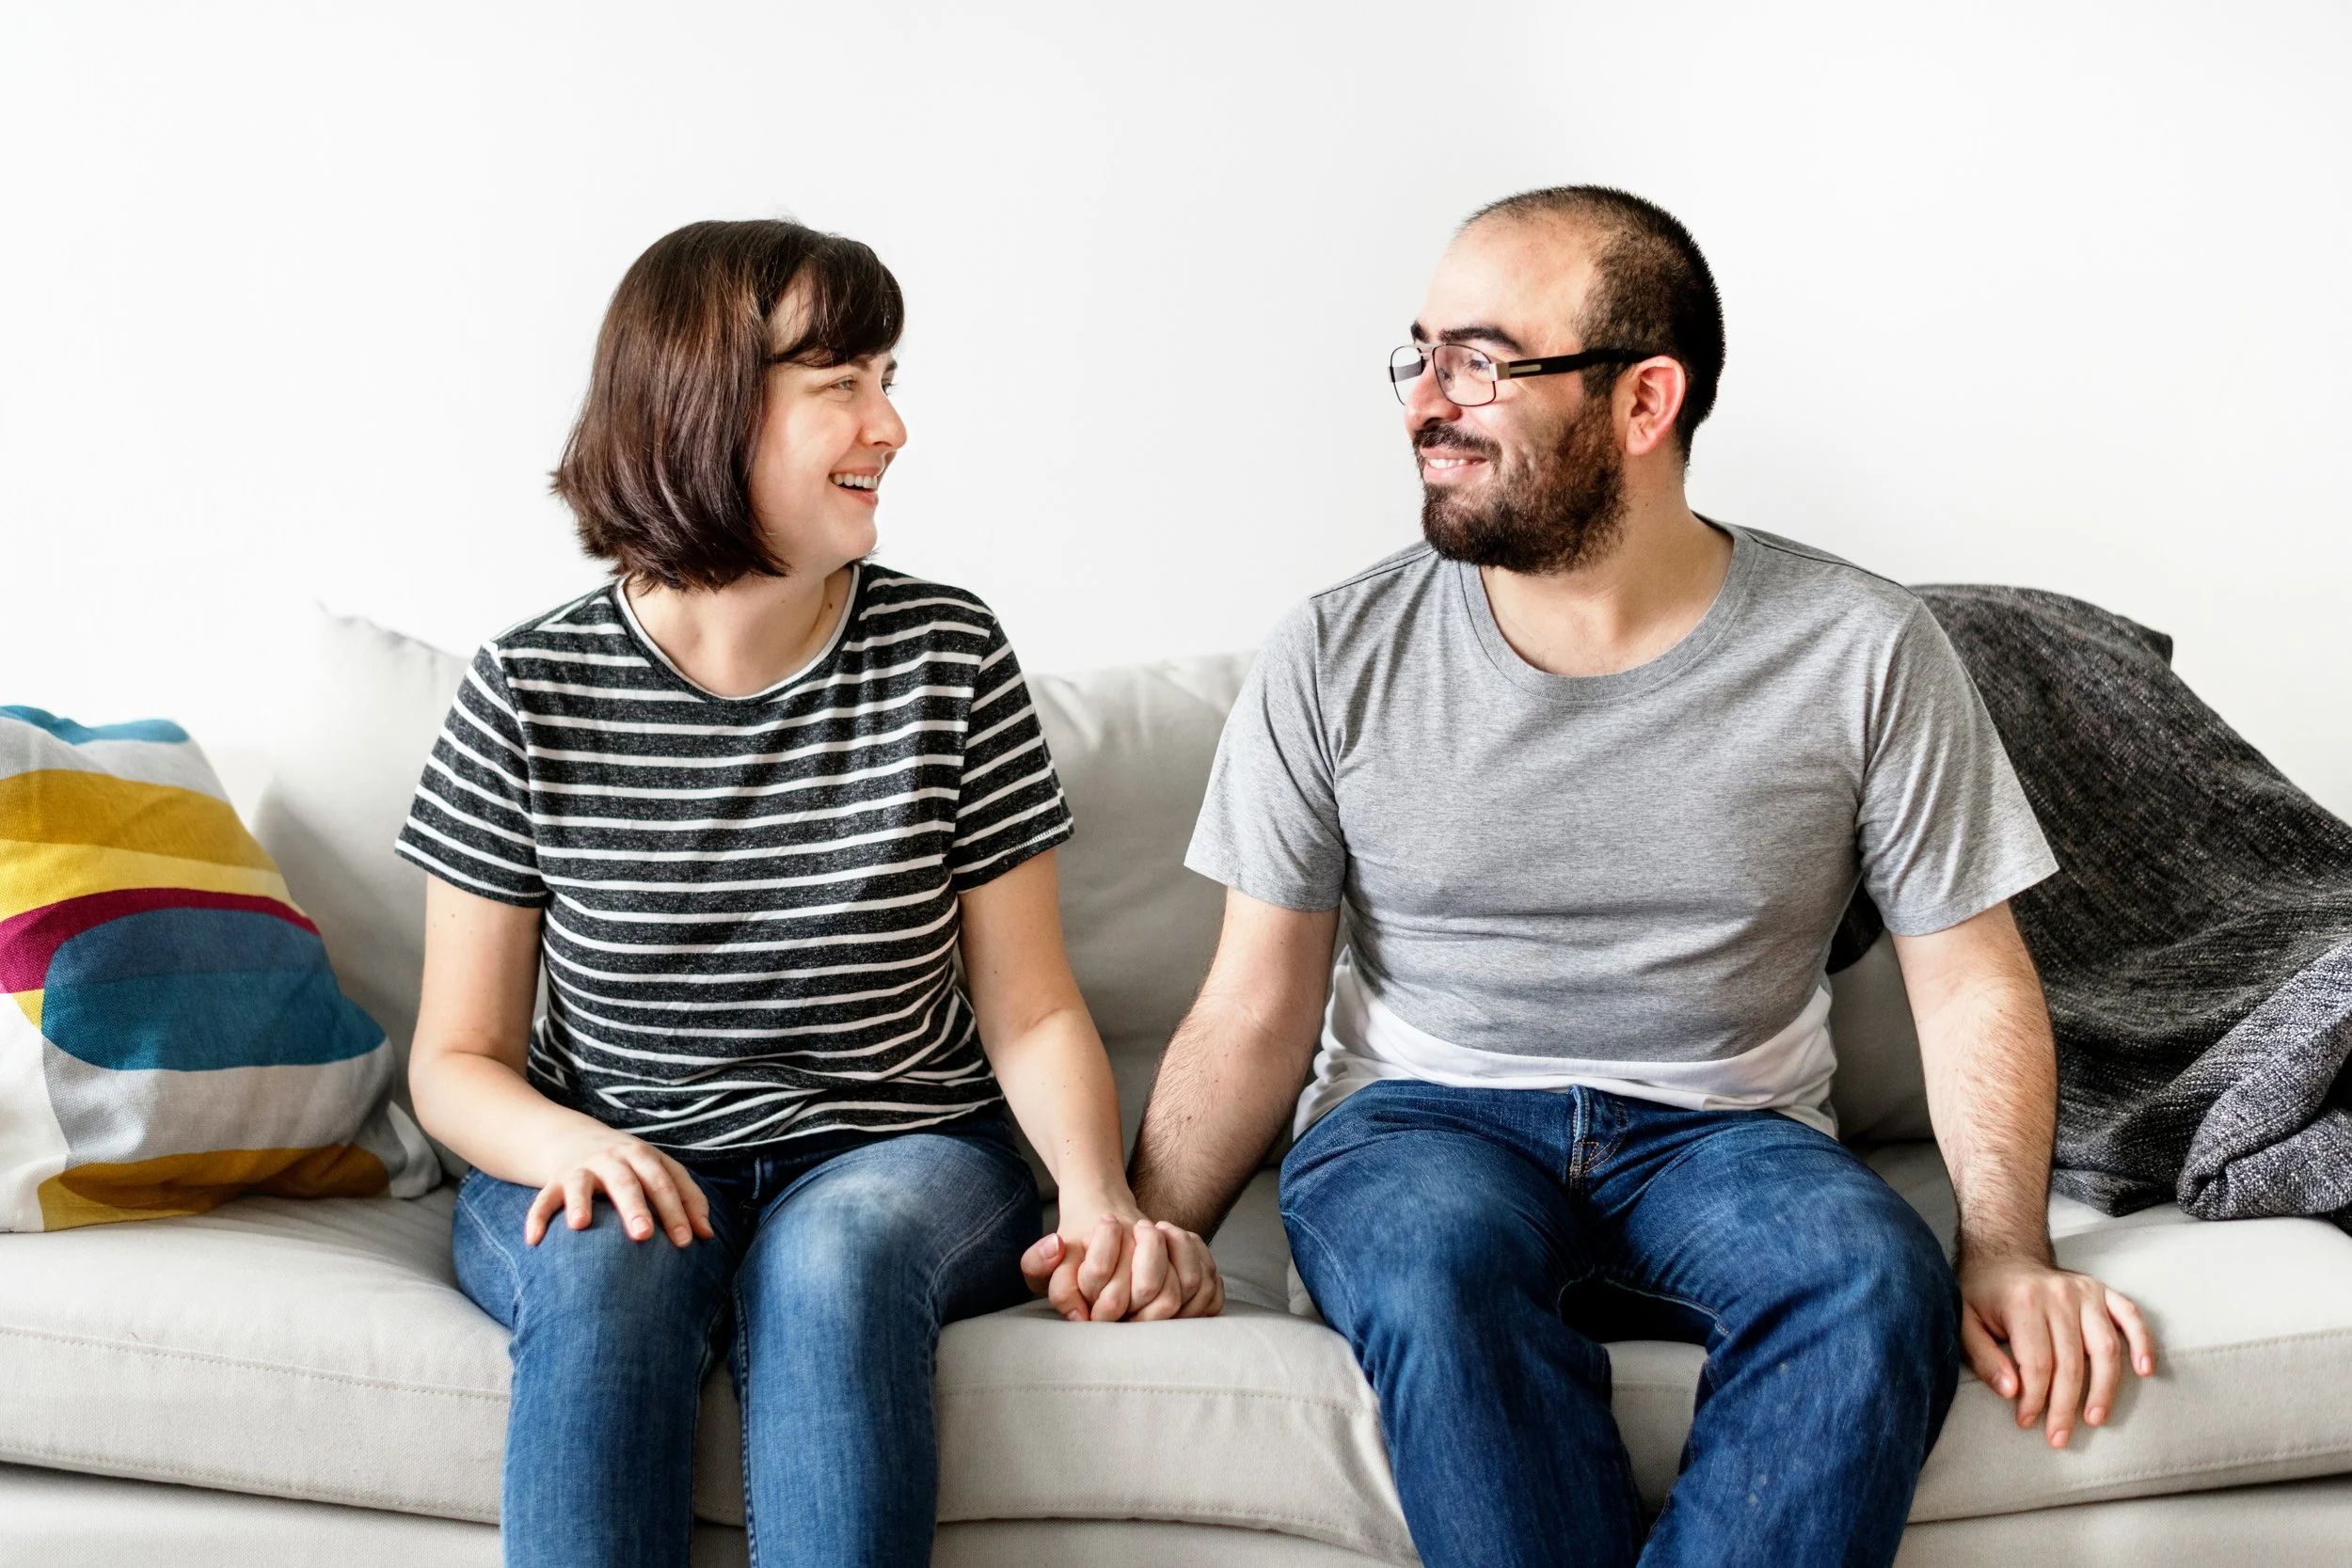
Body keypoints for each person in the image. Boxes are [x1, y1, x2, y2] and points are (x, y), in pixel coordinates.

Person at [1079, 187, 2158, 1568]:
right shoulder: (1335, 652)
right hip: (1423, 1126)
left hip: (1726, 1131)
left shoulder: (1860, 649)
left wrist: (2006, 1246)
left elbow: (1971, 982)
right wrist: (1154, 1222)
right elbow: (1252, 1008)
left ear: (1647, 400)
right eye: (1419, 355)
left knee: (1871, 1278)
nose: (1426, 403)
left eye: (1481, 359)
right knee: (1436, 1271)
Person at [400, 218, 1220, 1568]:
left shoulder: (947, 653)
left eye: (888, 376)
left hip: (899, 1150)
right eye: (840, 380)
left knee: (834, 1259)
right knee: (614, 1262)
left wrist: (1095, 1193)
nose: (889, 425)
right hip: (613, 1141)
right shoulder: (525, 692)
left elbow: (1028, 1009)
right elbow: (457, 1058)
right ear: (701, 402)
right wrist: (569, 1151)